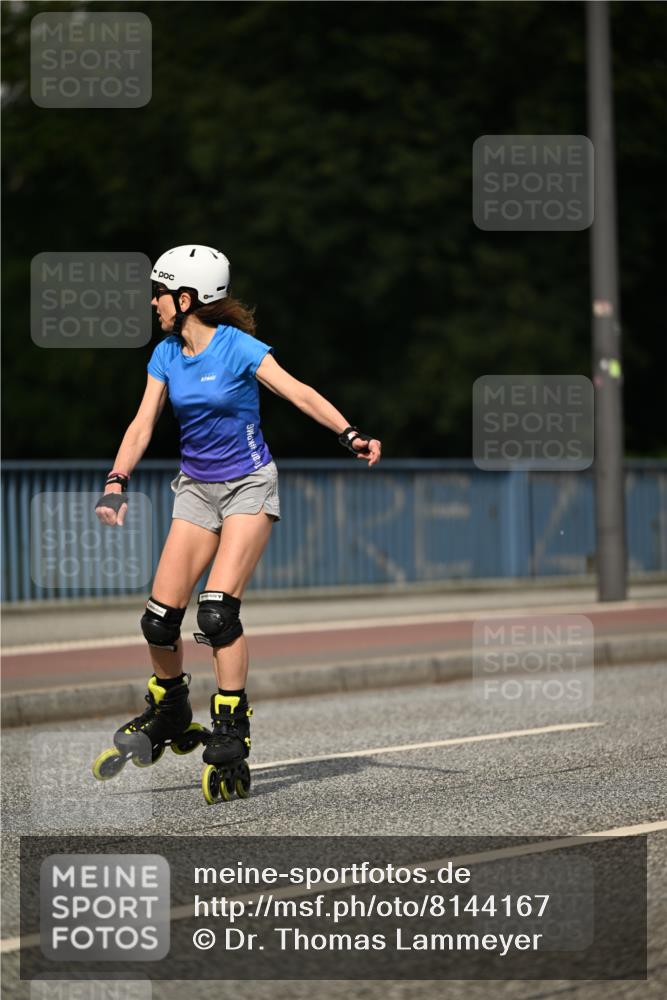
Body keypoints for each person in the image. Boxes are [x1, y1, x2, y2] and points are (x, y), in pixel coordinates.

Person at [92, 244, 381, 802]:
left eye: (159, 291)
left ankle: (230, 731)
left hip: (249, 485)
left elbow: (297, 391)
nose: (152, 302)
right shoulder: (165, 356)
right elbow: (142, 423)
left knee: (218, 613)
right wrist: (116, 479)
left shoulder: (238, 347)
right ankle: (172, 708)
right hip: (196, 492)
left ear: (187, 297)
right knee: (158, 621)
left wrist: (350, 434)